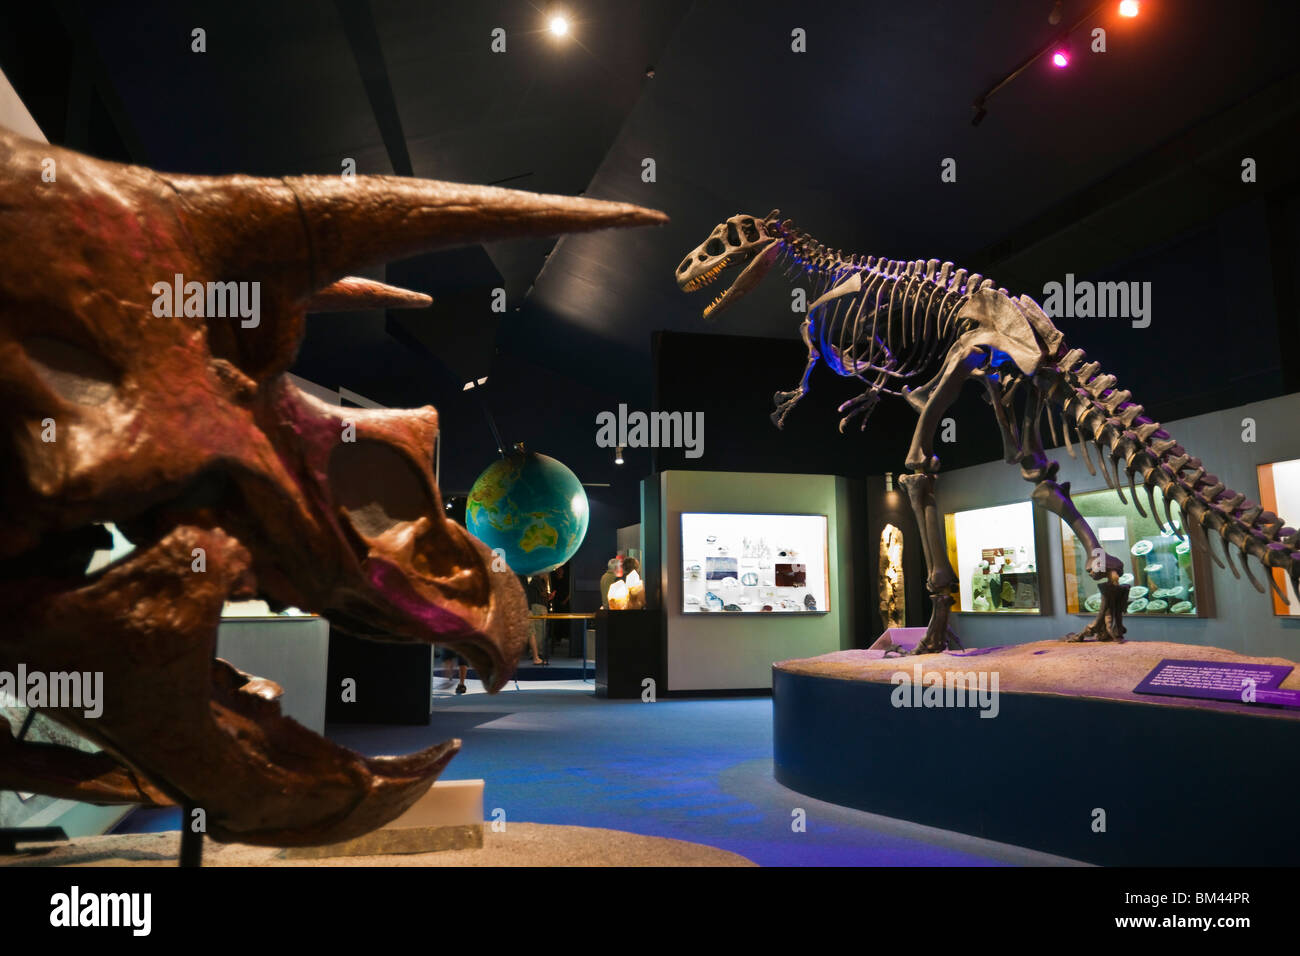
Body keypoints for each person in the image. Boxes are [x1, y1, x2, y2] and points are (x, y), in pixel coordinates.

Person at [524, 573, 550, 665]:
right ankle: (536, 653)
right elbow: (543, 594)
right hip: (538, 607)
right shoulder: (536, 581)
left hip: (537, 607)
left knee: (538, 631)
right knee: (538, 631)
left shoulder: (534, 582)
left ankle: (536, 653)